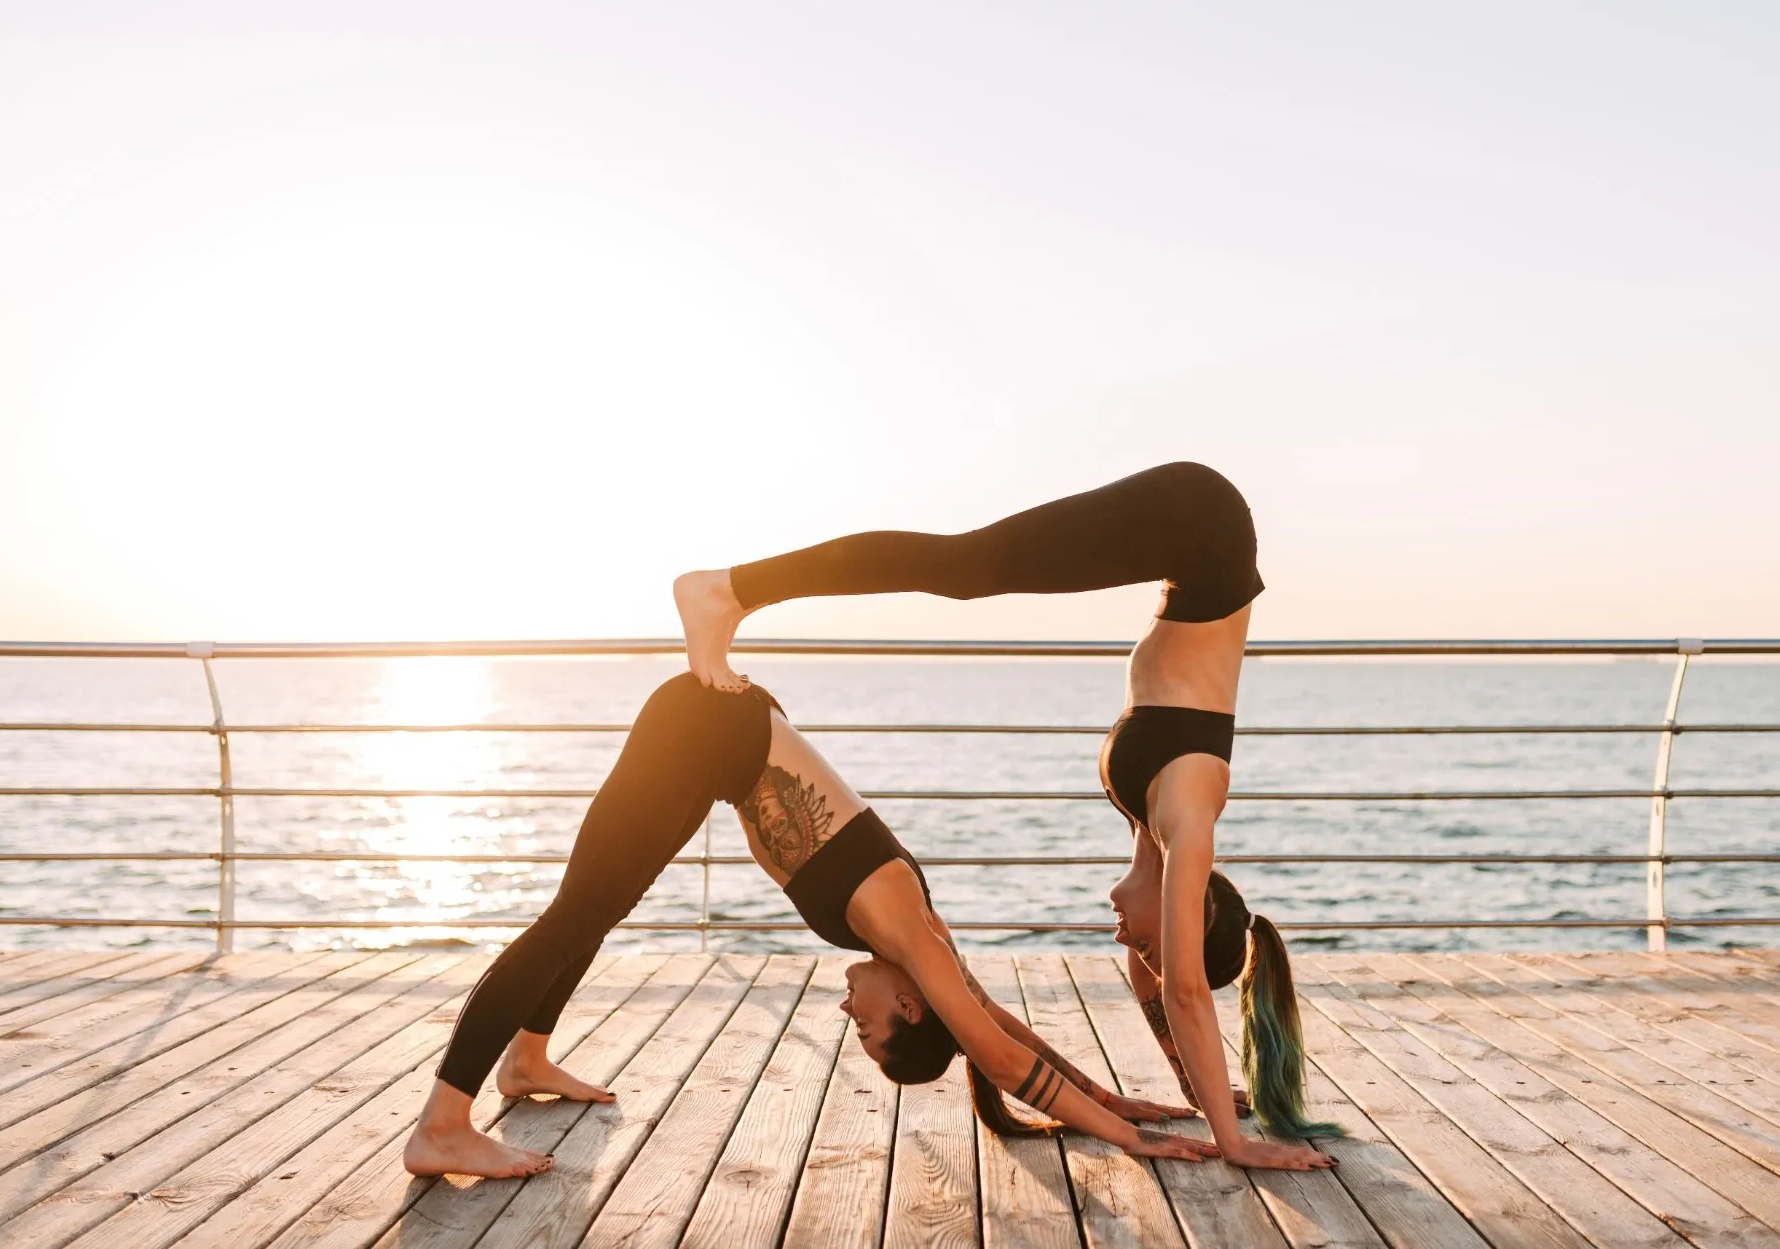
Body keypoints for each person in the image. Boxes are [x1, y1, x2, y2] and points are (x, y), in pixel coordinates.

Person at [676, 462, 1345, 1171]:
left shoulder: (1153, 831)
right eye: (1150, 941)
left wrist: (1181, 1092)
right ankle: (729, 590)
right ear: (1196, 909)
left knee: (967, 568)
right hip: (1202, 523)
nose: (1128, 942)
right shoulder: (1189, 824)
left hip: (1192, 547)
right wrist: (1232, 1143)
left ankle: (733, 591)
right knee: (966, 567)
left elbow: (1158, 986)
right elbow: (1181, 989)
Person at [402, 673, 1214, 1179]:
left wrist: (1110, 1098)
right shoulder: (909, 932)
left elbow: (995, 1028)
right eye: (866, 1028)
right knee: (574, 914)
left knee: (596, 906)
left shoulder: (920, 947)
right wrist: (1127, 1139)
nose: (847, 1012)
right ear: (910, 1005)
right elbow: (1000, 1058)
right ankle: (442, 1124)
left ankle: (526, 1058)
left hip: (718, 745)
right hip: (706, 729)